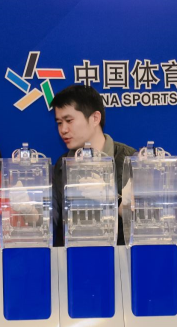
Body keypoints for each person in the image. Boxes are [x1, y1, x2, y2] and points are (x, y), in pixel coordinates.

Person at [51, 85, 135, 246]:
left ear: (95, 118)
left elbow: (144, 218)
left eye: (69, 121)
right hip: (73, 256)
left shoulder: (129, 159)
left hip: (119, 257)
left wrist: (111, 198)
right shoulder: (62, 165)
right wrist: (30, 211)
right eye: (59, 123)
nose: (63, 130)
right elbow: (53, 219)